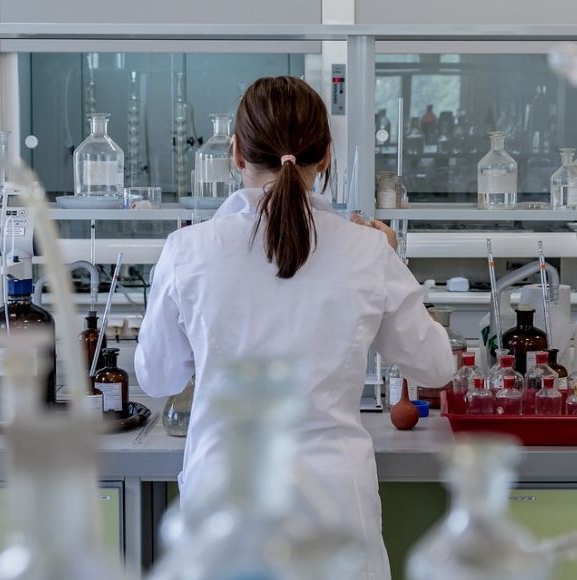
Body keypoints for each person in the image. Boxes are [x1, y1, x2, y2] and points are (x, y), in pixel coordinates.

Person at [135, 76, 453, 580]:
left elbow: (157, 379)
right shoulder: (368, 249)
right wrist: (394, 259)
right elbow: (435, 366)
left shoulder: (187, 251)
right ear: (325, 155)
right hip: (335, 511)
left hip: (224, 509)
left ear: (237, 153)